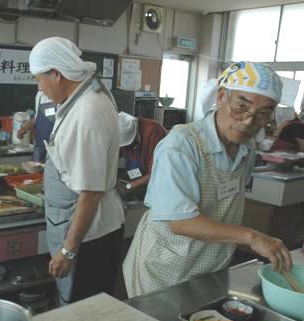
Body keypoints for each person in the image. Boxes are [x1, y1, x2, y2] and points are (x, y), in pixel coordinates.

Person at [123, 61, 293, 298]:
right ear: (222, 97)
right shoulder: (182, 146)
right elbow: (180, 222)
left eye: (263, 114)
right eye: (241, 106)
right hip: (165, 268)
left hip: (210, 265)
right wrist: (252, 237)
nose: (248, 121)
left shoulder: (247, 147)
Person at [29, 37, 125, 304]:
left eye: (39, 79)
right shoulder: (85, 96)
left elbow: (90, 194)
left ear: (56, 74)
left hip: (89, 235)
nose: (40, 87)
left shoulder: (87, 113)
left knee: (83, 310)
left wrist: (68, 252)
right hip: (85, 225)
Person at [117, 112, 167, 195]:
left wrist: (130, 186)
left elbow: (156, 172)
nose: (126, 149)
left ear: (136, 135)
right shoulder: (120, 130)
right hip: (135, 175)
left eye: (129, 145)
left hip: (153, 182)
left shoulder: (154, 132)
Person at [16, 90, 56, 162]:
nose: (39, 85)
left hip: (54, 144)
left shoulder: (59, 95)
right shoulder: (39, 95)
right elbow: (37, 116)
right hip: (39, 142)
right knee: (36, 166)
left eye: (40, 80)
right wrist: (25, 128)